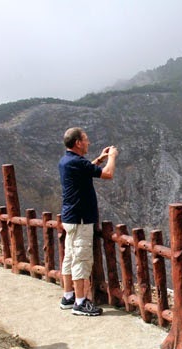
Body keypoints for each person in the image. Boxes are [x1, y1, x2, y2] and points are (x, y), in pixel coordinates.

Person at [58, 127, 118, 316]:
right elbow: (107, 174)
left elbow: (87, 170)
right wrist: (112, 157)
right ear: (77, 143)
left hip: (71, 217)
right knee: (81, 260)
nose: (88, 142)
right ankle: (80, 303)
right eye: (85, 139)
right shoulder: (76, 163)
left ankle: (68, 296)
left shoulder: (67, 161)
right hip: (81, 219)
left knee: (69, 258)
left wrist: (99, 159)